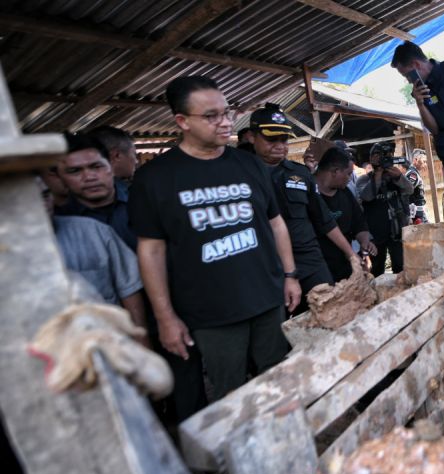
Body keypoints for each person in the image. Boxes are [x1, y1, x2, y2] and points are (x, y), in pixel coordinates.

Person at [129, 75, 301, 419]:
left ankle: (287, 436)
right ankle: (244, 445)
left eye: (226, 112)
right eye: (211, 116)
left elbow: (275, 223)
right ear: (182, 121)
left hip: (267, 298)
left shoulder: (249, 165)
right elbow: (151, 250)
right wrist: (165, 317)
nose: (224, 122)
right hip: (211, 312)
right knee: (230, 390)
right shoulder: (156, 178)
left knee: (278, 376)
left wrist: (290, 275)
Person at [250, 104, 360, 311]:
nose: (280, 145)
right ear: (251, 137)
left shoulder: (300, 174)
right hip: (269, 265)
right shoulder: (242, 176)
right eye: (271, 139)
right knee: (282, 325)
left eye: (284, 139)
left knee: (330, 312)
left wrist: (351, 254)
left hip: (309, 262)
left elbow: (324, 220)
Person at [39, 177, 146, 329]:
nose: (42, 205)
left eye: (45, 196)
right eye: (32, 200)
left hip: (106, 334)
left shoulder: (94, 231)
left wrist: (139, 336)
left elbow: (129, 289)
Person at [391, 41, 444, 228]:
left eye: (407, 75)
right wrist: (420, 104)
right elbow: (435, 129)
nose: (408, 80)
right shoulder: (421, 91)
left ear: (416, 65)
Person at [55, 133, 137, 251]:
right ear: (60, 177)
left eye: (96, 167)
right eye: (75, 171)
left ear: (111, 165)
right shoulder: (57, 220)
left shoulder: (144, 201)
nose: (89, 177)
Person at [314, 147, 377, 281]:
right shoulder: (309, 194)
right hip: (319, 269)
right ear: (335, 171)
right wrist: (352, 255)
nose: (350, 179)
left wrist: (365, 242)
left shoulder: (345, 193)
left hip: (345, 265)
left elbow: (359, 223)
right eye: (348, 174)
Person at [356, 143, 414, 277]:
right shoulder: (364, 179)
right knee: (376, 270)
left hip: (397, 231)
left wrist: (399, 177)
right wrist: (377, 175)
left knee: (401, 268)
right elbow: (367, 196)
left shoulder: (394, 176)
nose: (383, 159)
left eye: (387, 156)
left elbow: (409, 189)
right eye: (378, 155)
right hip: (375, 233)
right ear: (371, 158)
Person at [405, 149, 429, 223]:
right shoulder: (413, 174)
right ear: (415, 160)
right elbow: (406, 193)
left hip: (418, 213)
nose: (425, 164)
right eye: (424, 161)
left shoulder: (413, 172)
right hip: (417, 215)